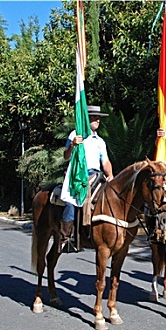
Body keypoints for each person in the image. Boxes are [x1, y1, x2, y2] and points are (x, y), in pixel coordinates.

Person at [60, 105, 114, 253]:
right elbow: (66, 156)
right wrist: (72, 145)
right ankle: (66, 237)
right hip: (77, 175)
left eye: (98, 118)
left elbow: (105, 161)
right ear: (85, 118)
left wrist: (110, 175)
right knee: (73, 200)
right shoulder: (75, 134)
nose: (97, 120)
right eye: (93, 117)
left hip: (96, 175)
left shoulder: (100, 141)